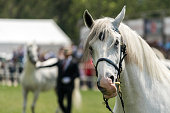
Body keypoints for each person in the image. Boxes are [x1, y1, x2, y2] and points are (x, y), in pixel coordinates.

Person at [37, 46, 80, 113]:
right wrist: (40, 66)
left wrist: (70, 79)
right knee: (60, 101)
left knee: (69, 101)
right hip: (61, 85)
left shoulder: (74, 63)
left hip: (69, 85)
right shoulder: (60, 61)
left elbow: (77, 74)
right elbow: (51, 65)